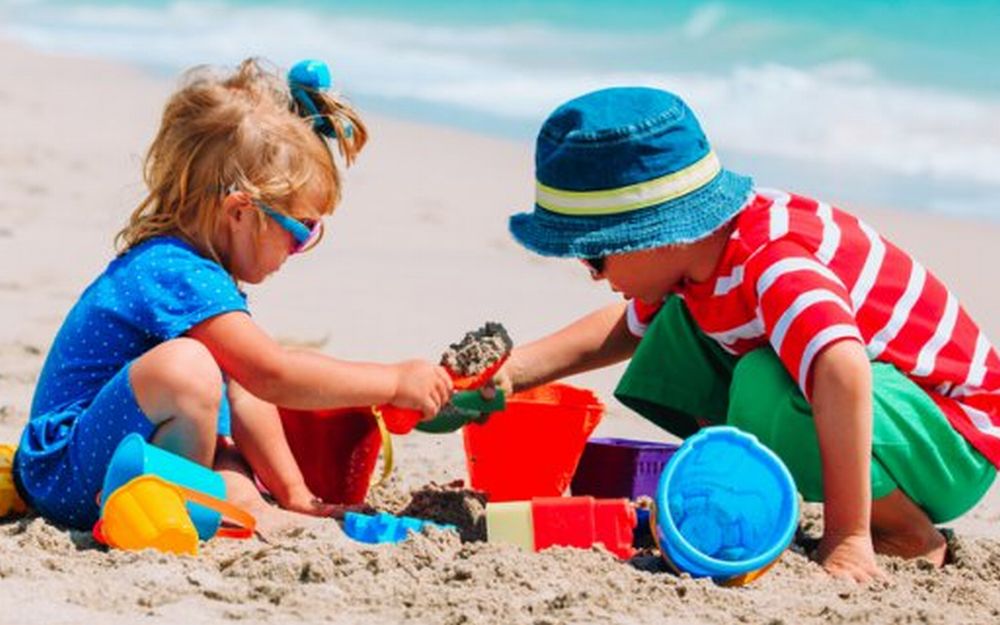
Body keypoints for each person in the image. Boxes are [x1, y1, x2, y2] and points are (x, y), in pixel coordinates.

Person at [498, 86, 999, 582]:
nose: (593, 275)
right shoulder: (697, 261)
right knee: (674, 331)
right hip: (892, 423)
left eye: (595, 256)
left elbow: (842, 369)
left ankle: (906, 533)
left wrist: (847, 535)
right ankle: (730, 482)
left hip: (956, 439)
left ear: (655, 233)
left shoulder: (772, 260)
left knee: (762, 380)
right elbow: (625, 329)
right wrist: (510, 373)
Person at [12, 58, 453, 534]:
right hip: (67, 474)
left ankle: (250, 509)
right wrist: (393, 381)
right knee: (188, 368)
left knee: (228, 431)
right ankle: (185, 506)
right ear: (240, 212)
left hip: (121, 450)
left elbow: (248, 392)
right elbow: (272, 374)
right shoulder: (173, 271)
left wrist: (295, 494)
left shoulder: (205, 274)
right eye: (300, 231)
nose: (300, 250)